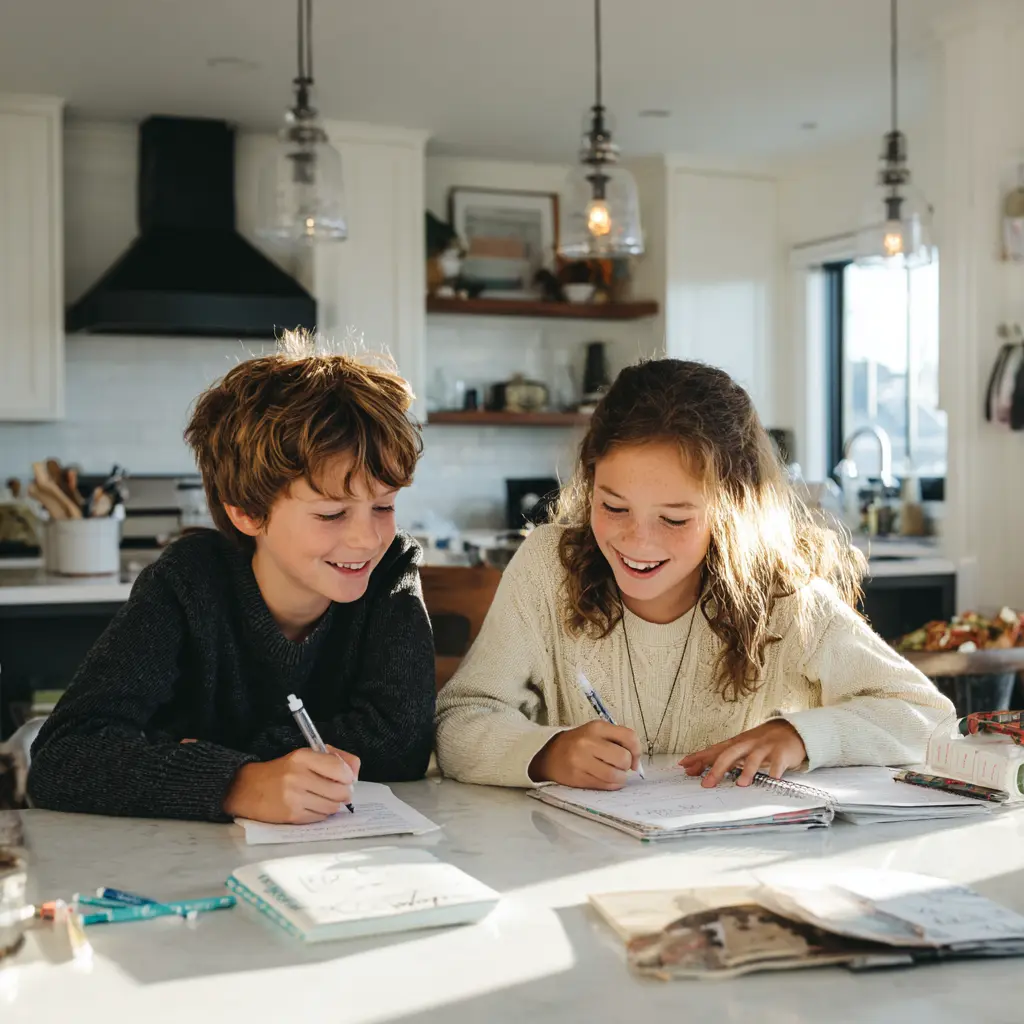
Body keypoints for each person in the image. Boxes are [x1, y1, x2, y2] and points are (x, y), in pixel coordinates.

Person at [435, 358, 953, 791]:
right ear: (589, 484)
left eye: (675, 518)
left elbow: (928, 719)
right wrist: (545, 753)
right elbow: (460, 719)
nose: (638, 541)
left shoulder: (783, 595)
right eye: (613, 507)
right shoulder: (550, 566)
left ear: (734, 509)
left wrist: (800, 736)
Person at [29, 330, 435, 823]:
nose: (368, 539)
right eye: (331, 514)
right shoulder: (188, 583)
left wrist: (211, 752)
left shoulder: (392, 571)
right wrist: (237, 783)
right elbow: (60, 758)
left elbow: (403, 744)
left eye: (384, 506)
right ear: (246, 512)